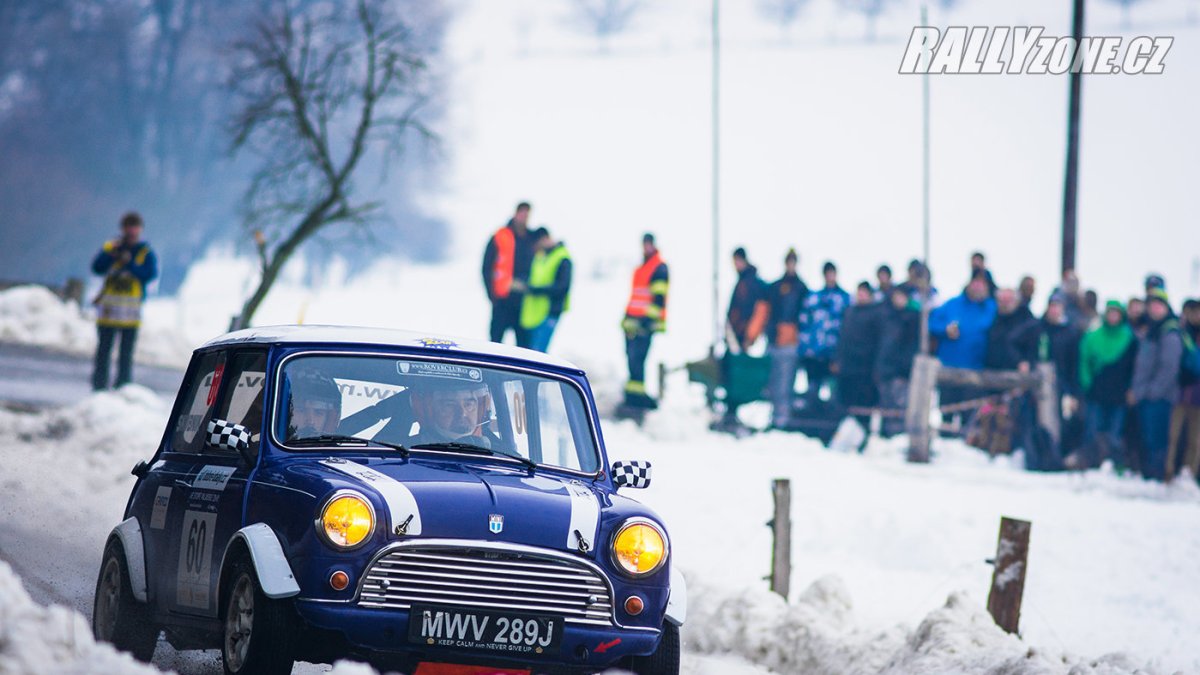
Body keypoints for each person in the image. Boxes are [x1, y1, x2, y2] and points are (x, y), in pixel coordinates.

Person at [91, 211, 159, 391]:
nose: (131, 234)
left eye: (134, 229)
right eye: (128, 229)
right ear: (123, 229)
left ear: (139, 230)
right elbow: (97, 267)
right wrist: (111, 254)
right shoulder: (112, 247)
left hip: (130, 314)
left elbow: (149, 274)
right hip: (108, 313)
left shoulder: (144, 253)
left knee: (125, 354)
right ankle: (99, 386)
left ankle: (123, 386)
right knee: (103, 351)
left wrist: (129, 263)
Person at [1011, 296, 1081, 469]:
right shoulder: (1035, 327)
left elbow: (1074, 365)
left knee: (1055, 425)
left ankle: (1052, 460)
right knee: (1032, 423)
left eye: (1058, 307)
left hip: (1059, 386)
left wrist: (1073, 393)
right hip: (1034, 384)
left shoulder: (1069, 333)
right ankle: (1033, 460)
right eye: (1052, 306)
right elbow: (1012, 342)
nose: (1054, 310)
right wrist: (1022, 361)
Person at [1130, 289, 1183, 481]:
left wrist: (1152, 392)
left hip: (1159, 397)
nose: (1154, 308)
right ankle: (1149, 475)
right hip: (1145, 395)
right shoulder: (1151, 329)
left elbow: (1169, 368)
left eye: (1158, 305)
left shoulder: (1169, 331)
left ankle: (1156, 476)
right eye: (1151, 304)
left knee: (1157, 440)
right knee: (1147, 438)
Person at [928, 277, 996, 427]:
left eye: (982, 284)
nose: (978, 287)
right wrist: (945, 329)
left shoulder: (991, 307)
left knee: (970, 418)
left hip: (976, 372)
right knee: (947, 415)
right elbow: (931, 323)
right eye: (976, 283)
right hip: (949, 369)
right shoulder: (952, 304)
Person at [1079, 300, 1138, 469]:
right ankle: (1090, 464)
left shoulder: (1129, 339)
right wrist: (1087, 385)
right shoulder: (1093, 337)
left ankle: (1117, 466)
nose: (1113, 317)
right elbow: (1084, 363)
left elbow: (1134, 368)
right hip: (1097, 393)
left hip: (1119, 395)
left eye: (1116, 313)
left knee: (1115, 434)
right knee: (1092, 431)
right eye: (1110, 313)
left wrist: (1131, 389)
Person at [719, 248, 768, 429]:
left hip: (743, 340)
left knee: (740, 378)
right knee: (729, 373)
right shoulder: (742, 281)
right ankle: (730, 413)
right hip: (734, 338)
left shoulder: (752, 283)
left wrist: (750, 337)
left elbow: (759, 311)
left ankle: (733, 414)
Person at [622, 234, 669, 409]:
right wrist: (627, 318)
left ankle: (638, 398)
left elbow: (658, 298)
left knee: (638, 360)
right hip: (633, 323)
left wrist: (646, 321)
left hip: (644, 324)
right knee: (632, 360)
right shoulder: (642, 268)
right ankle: (633, 396)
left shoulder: (658, 268)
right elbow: (635, 297)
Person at [835, 282, 884, 444]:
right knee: (845, 404)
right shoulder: (850, 312)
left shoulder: (876, 314)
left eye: (864, 293)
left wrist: (876, 366)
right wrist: (838, 360)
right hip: (848, 368)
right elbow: (842, 338)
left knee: (864, 407)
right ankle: (842, 438)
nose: (861, 295)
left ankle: (864, 440)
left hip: (866, 369)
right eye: (859, 292)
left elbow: (880, 342)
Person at [482, 202, 536, 346]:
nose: (524, 217)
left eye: (527, 214)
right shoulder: (500, 235)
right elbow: (487, 267)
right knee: (495, 343)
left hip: (523, 301)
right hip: (502, 299)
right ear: (516, 213)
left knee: (524, 347)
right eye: (522, 213)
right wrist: (491, 295)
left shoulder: (531, 238)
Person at [765, 249, 808, 428]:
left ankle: (783, 421)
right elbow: (768, 313)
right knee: (772, 384)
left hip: (791, 343)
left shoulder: (801, 288)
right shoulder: (775, 287)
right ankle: (773, 419)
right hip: (774, 341)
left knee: (785, 385)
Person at [799, 261, 850, 408]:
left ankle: (831, 425)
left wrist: (841, 355)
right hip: (814, 354)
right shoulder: (814, 299)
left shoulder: (845, 299)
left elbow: (848, 330)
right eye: (827, 273)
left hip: (834, 355)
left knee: (834, 394)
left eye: (832, 273)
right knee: (813, 392)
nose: (830, 276)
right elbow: (805, 324)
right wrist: (804, 351)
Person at [875, 287, 920, 437]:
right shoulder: (886, 317)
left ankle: (898, 437)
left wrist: (904, 368)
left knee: (900, 408)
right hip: (885, 369)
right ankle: (885, 437)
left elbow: (912, 347)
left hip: (902, 371)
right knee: (885, 406)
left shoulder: (913, 318)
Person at [519, 227, 572, 353]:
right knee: (529, 353)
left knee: (538, 354)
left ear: (544, 239)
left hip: (550, 312)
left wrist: (534, 290)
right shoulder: (540, 256)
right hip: (533, 314)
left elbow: (562, 287)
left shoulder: (562, 257)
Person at [1167, 299, 1200, 480]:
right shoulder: (1179, 332)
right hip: (1178, 392)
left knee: (1195, 439)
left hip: (1197, 394)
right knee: (1173, 436)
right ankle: (1169, 471)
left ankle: (1189, 472)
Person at [409, 379, 495, 447]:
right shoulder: (407, 451)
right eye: (449, 405)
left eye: (468, 405)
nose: (462, 413)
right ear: (430, 410)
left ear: (480, 408)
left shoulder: (501, 453)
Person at [984, 288, 1034, 371]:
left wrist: (1025, 362)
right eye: (1002, 300)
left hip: (1017, 373)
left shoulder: (1026, 320)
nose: (1005, 304)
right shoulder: (992, 318)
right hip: (992, 371)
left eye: (1008, 300)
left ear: (1016, 301)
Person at [285, 371, 342, 440]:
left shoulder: (336, 451)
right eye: (301, 410)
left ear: (329, 418)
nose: (310, 421)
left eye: (318, 412)